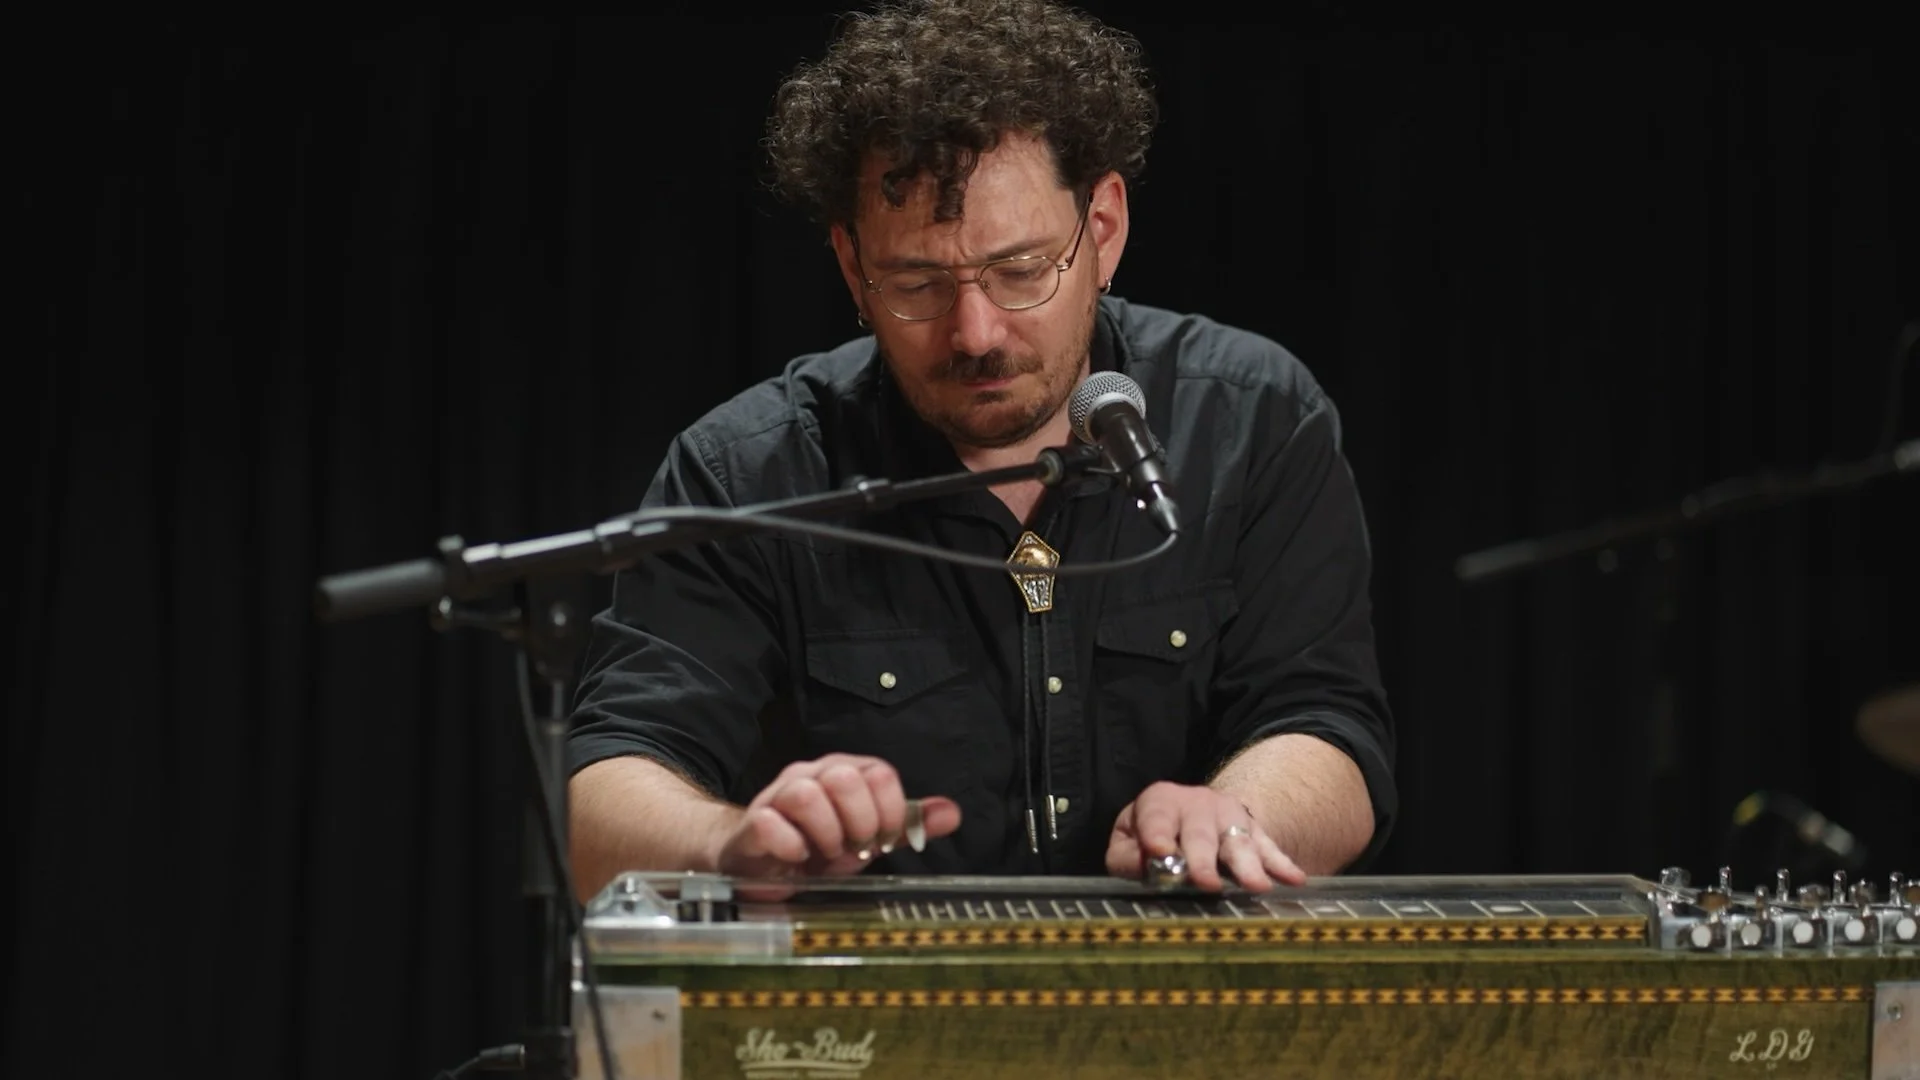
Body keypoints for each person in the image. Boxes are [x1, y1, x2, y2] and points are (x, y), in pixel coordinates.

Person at [565, 0, 1395, 901]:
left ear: (1103, 229)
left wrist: (1239, 811)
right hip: (867, 1018)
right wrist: (734, 841)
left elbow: (1330, 730)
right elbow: (601, 792)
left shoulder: (1254, 418)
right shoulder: (747, 472)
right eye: (916, 283)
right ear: (852, 266)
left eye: (1021, 270)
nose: (974, 331)